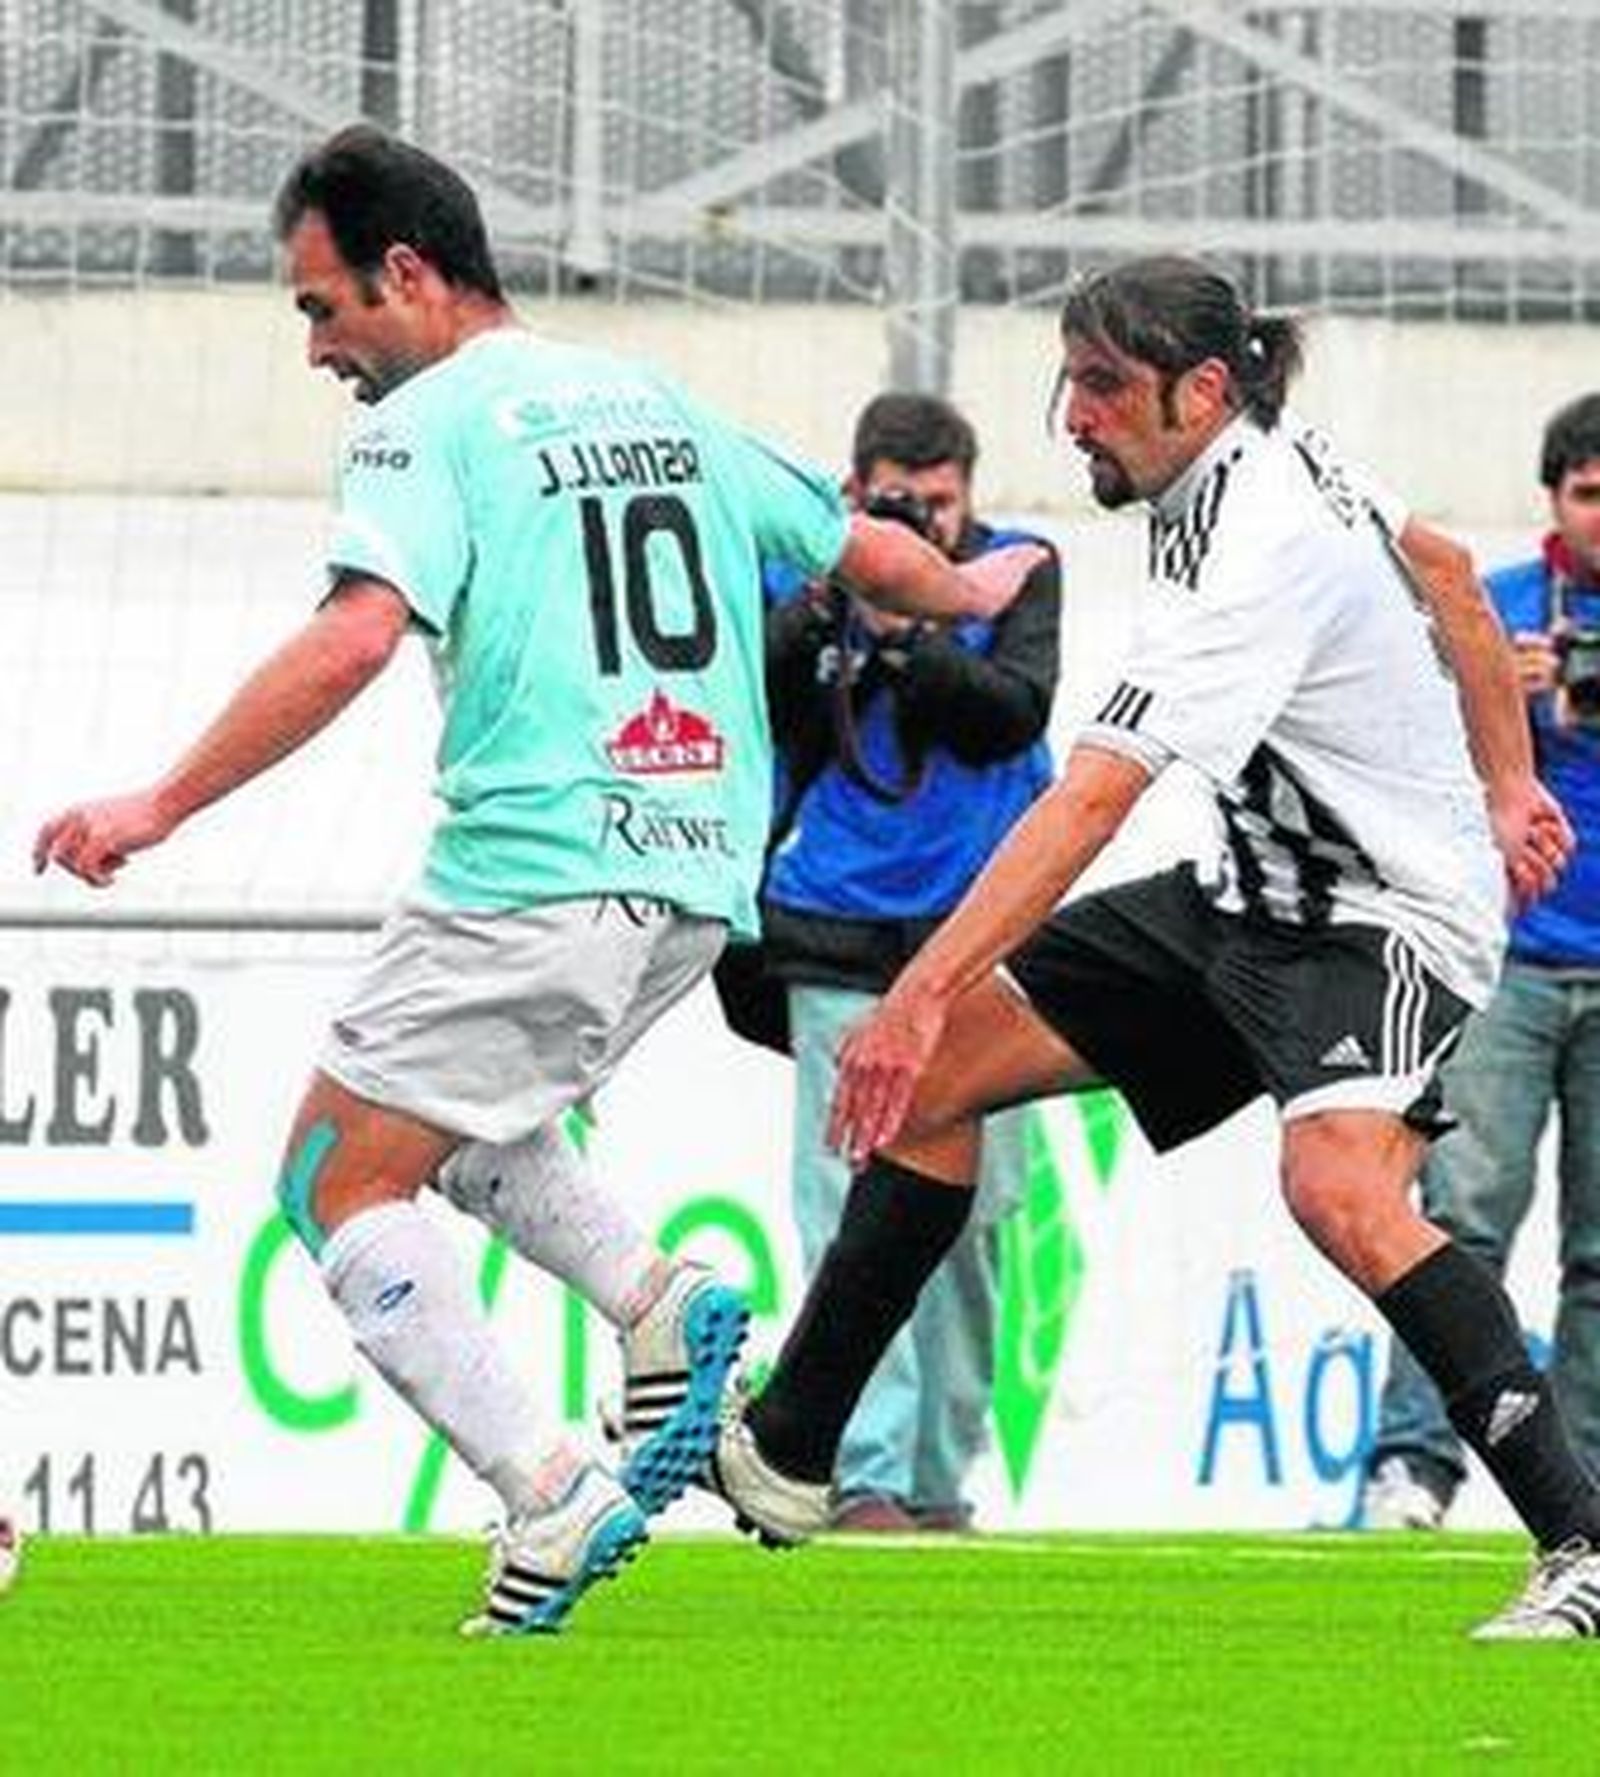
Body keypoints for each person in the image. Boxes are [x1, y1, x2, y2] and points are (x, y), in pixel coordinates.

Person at [30, 125, 1042, 1637]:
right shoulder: (654, 398)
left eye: (321, 308)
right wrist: (972, 585)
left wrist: (158, 803)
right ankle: (657, 1301)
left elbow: (355, 638)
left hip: (538, 866)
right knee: (457, 1129)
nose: (316, 350)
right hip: (696, 884)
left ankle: (547, 1484)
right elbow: (862, 554)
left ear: (408, 273)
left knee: (332, 1177)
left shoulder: (423, 425)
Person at [706, 253, 1600, 1641]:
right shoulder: (1261, 464)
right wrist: (1507, 779)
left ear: (1202, 389)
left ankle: (1581, 1543)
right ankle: (790, 1448)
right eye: (1070, 380)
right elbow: (1445, 578)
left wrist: (919, 986)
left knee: (1337, 1186)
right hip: (1245, 897)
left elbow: (1090, 800)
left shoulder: (1258, 544)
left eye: (1105, 385)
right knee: (935, 1082)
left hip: (1383, 916)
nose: (1073, 415)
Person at [760, 391, 1060, 1530]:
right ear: (854, 493)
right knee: (847, 1209)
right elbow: (762, 695)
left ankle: (940, 1478)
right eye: (897, 503)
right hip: (837, 928)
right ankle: (864, 1472)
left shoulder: (1020, 572)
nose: (922, 521)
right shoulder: (811, 576)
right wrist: (843, 605)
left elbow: (1011, 715)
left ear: (970, 495)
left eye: (939, 503)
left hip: (980, 944)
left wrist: (913, 634)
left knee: (972, 1222)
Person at [1364, 393, 1600, 1532]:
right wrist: (1499, 691)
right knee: (1458, 1220)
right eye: (1589, 493)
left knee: (1599, 1254)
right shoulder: (1494, 609)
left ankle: (1582, 1491)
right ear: (1552, 498)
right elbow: (1398, 759)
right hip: (1502, 959)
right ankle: (1414, 1463)